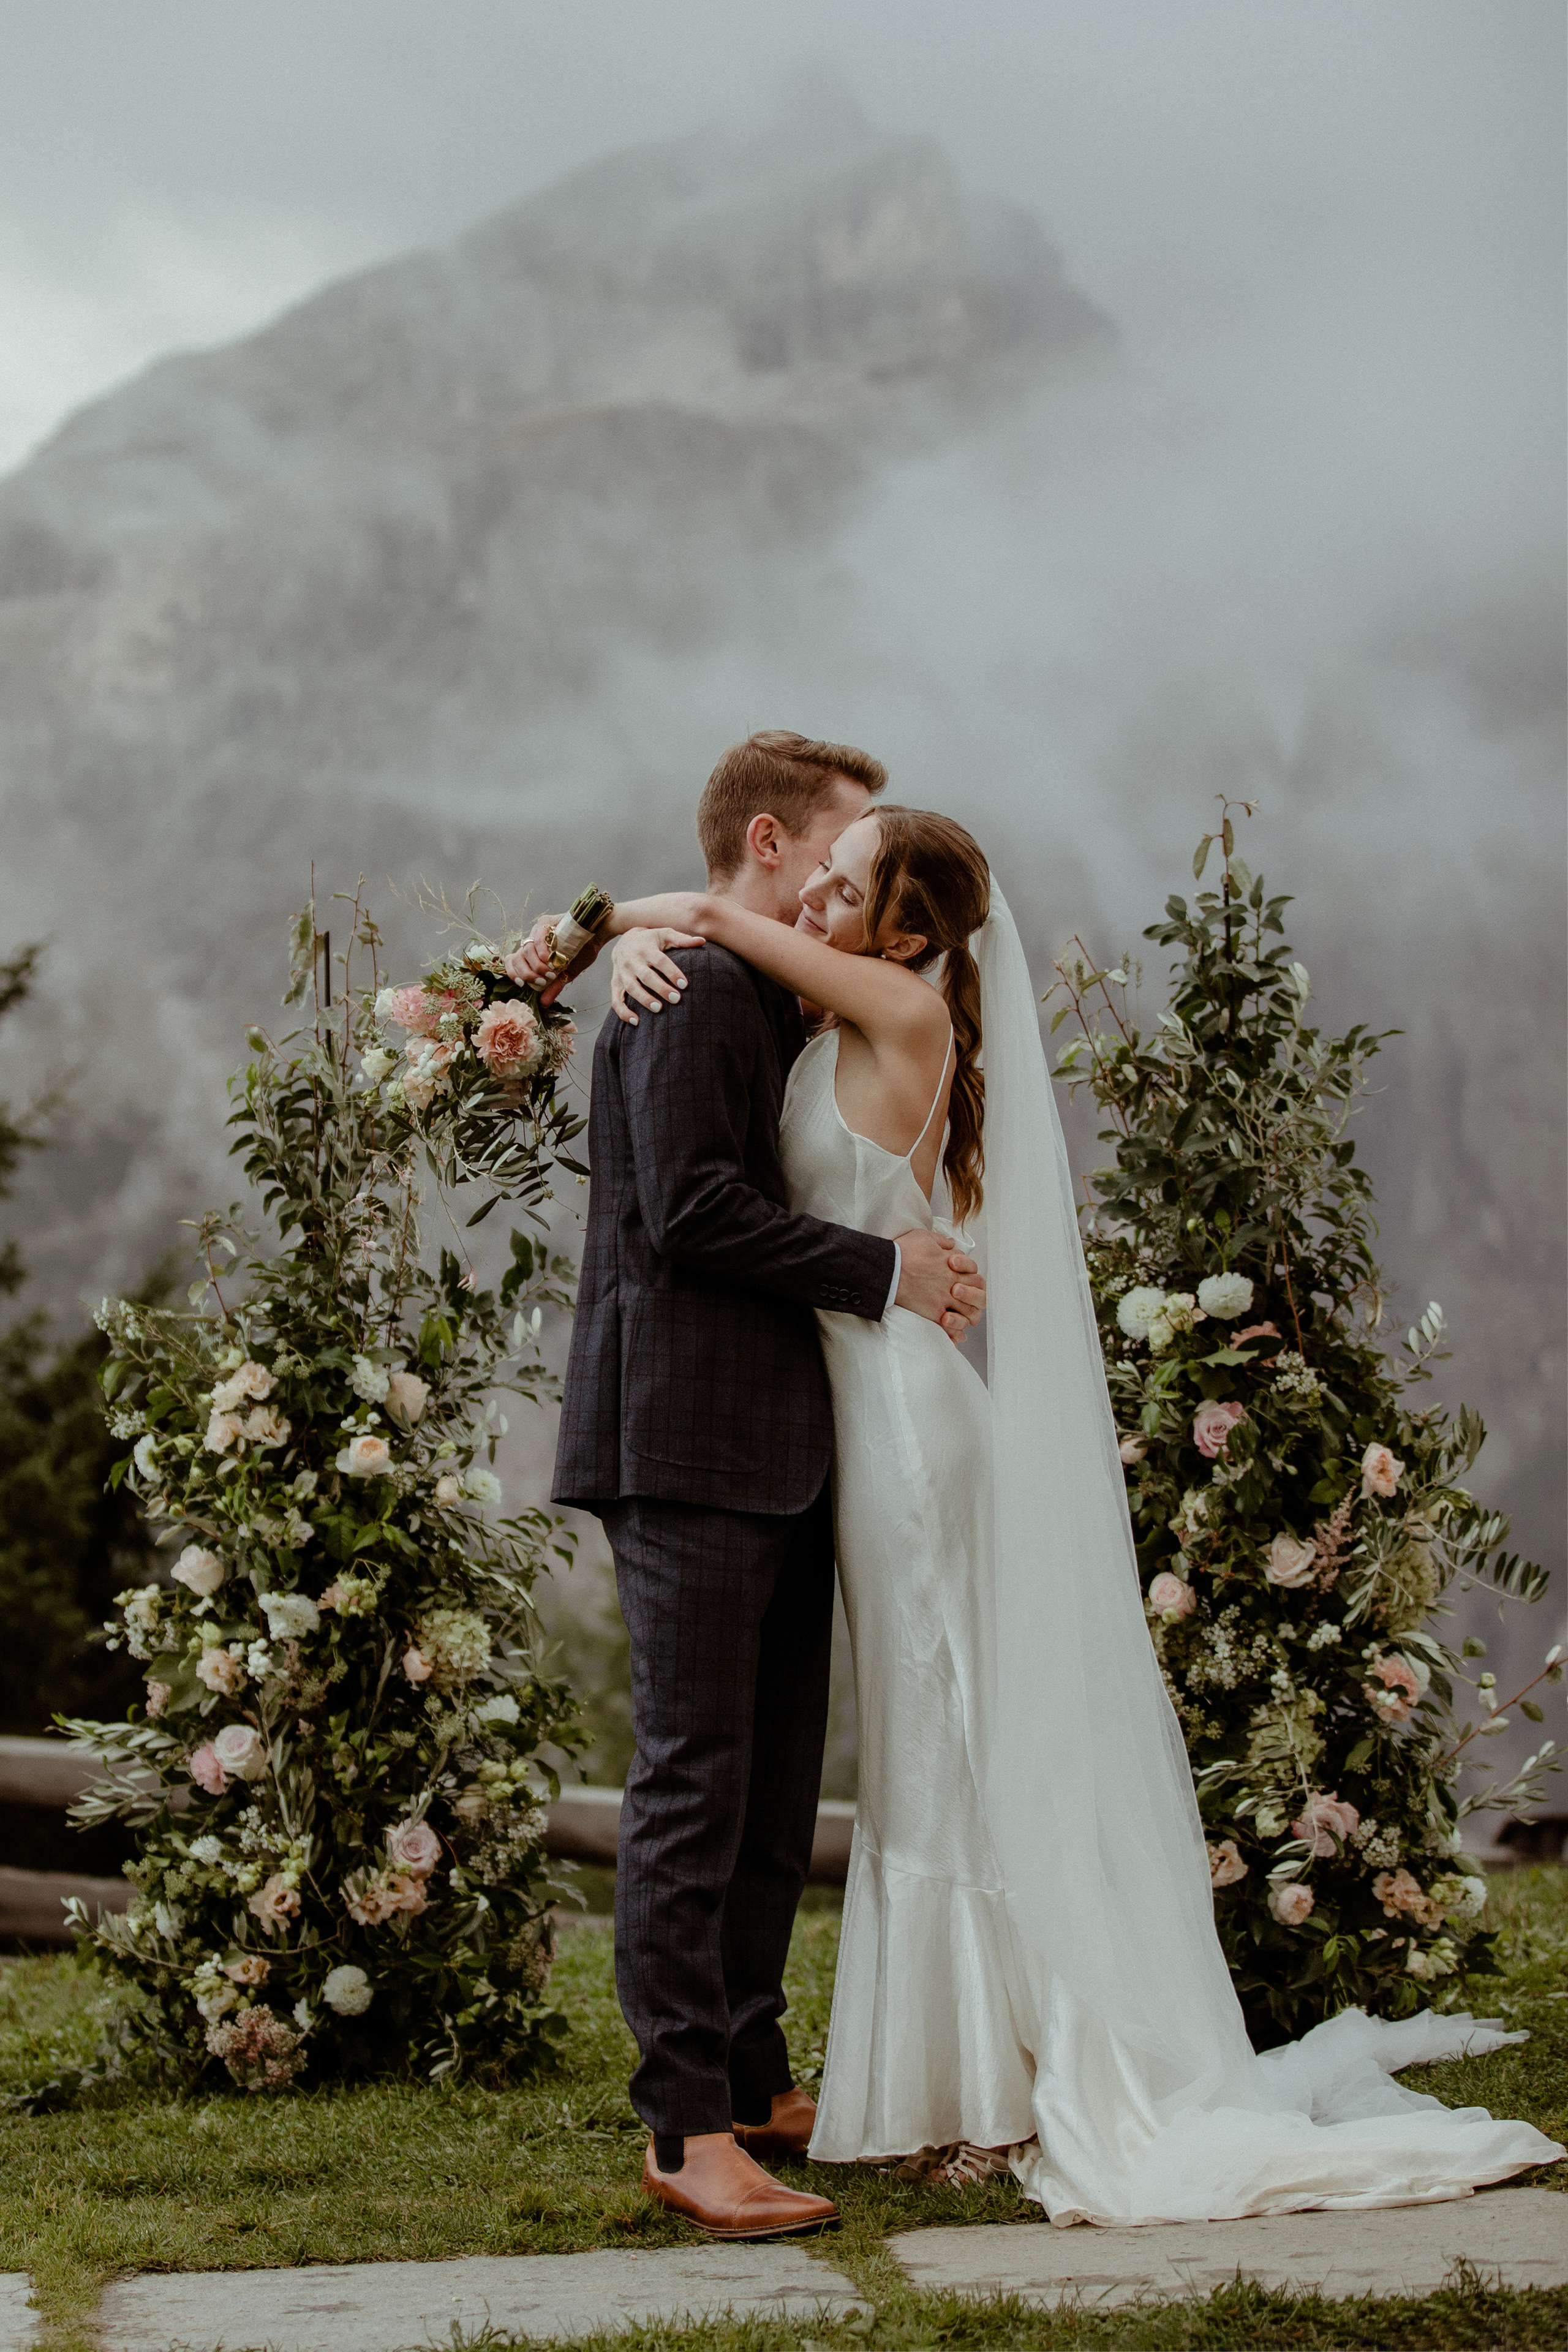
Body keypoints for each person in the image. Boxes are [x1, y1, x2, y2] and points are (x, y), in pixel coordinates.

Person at [553, 796, 1564, 2226]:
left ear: (907, 930)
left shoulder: (884, 1004)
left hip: (898, 1430)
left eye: (846, 889)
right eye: (818, 878)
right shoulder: (812, 1005)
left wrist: (602, 926)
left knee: (936, 1730)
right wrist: (613, 953)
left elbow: (726, 923)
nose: (818, 908)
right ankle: (845, 2081)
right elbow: (714, 1090)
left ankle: (969, 2062)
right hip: (838, 1420)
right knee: (884, 1745)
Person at [545, 733, 986, 2242]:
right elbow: (688, 1214)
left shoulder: (757, 993)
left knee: (771, 1789)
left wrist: (623, 923)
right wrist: (887, 1270)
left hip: (781, 1446)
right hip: (684, 1439)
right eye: (843, 858)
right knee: (693, 1781)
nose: (844, 896)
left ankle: (748, 2073)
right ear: (769, 845)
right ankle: (683, 2127)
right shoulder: (689, 989)